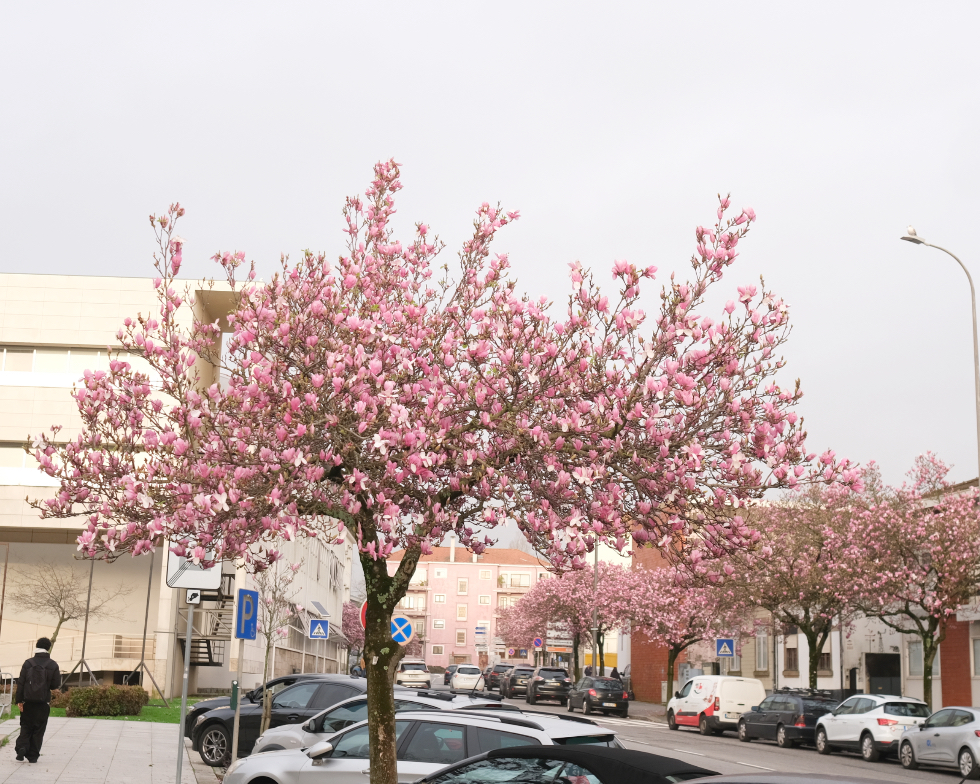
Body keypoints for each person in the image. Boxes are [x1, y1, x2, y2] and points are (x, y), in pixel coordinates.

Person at [15, 637, 61, 764]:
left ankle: (22, 747)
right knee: (39, 729)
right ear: (48, 648)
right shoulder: (53, 664)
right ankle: (33, 756)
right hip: (43, 702)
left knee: (25, 726)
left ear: (37, 646)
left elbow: (21, 683)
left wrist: (19, 700)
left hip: (27, 702)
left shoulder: (28, 663)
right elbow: (55, 685)